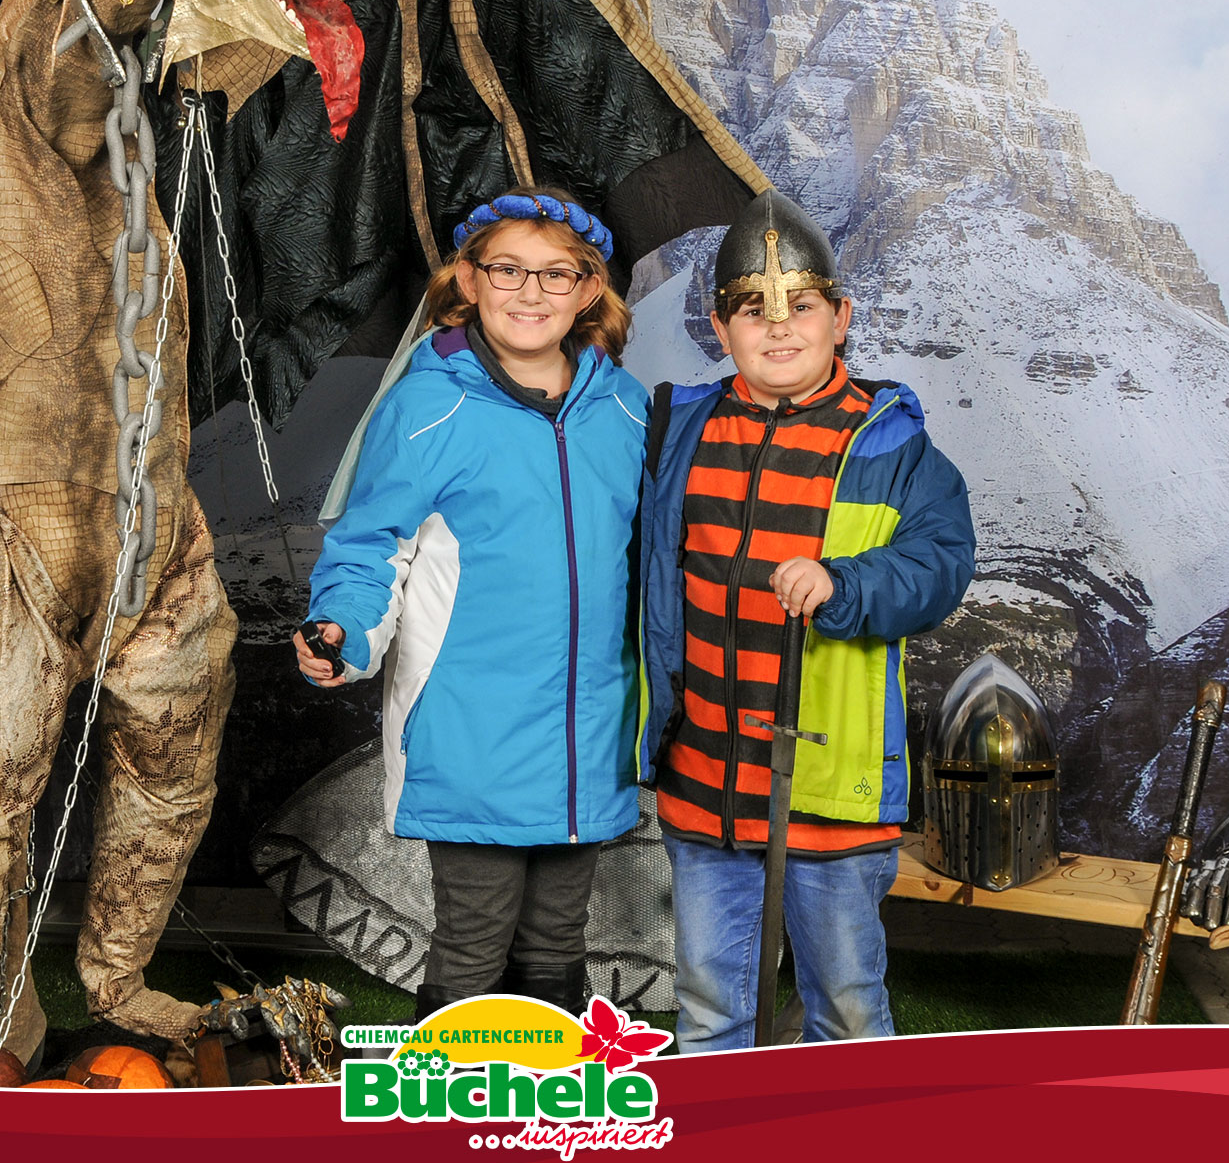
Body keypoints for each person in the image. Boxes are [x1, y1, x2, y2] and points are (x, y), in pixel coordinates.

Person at [293, 189, 648, 1019]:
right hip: (471, 727)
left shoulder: (625, 409)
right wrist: (345, 630)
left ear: (589, 289)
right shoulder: (427, 407)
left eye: (555, 273)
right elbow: (371, 546)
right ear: (469, 279)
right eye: (508, 270)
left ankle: (548, 1092)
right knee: (476, 936)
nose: (531, 292)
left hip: (588, 729)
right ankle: (452, 1094)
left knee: (559, 940)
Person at [638, 190, 974, 1049]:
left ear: (841, 318)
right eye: (754, 309)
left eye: (802, 307)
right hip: (706, 784)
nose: (779, 328)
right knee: (710, 1009)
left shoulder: (890, 445)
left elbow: (940, 565)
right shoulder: (679, 431)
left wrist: (844, 582)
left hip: (830, 788)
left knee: (847, 1012)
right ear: (721, 327)